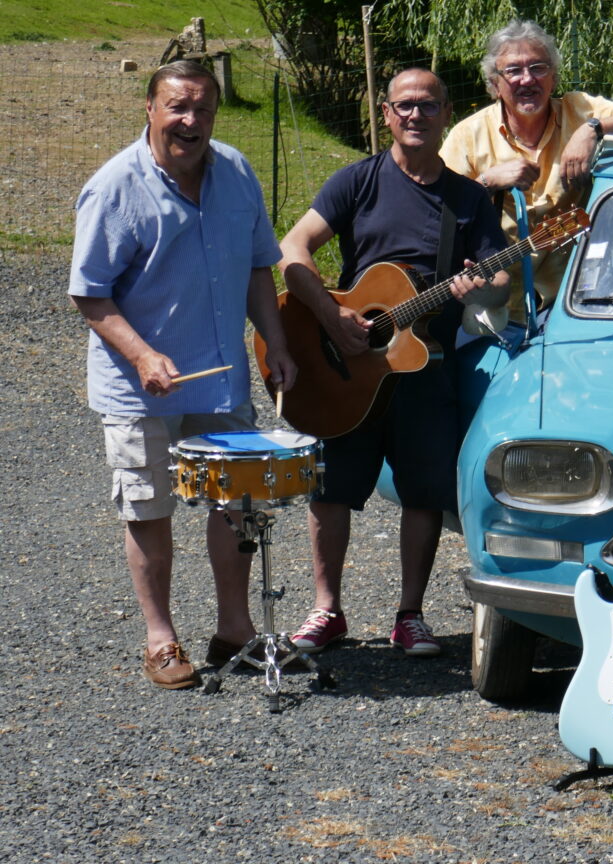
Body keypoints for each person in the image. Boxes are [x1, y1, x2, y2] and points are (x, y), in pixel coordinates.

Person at [69, 60, 298, 689]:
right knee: (149, 507)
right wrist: (143, 355)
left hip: (220, 380)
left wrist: (275, 343)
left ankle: (234, 627)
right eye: (177, 106)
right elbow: (89, 293)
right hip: (140, 387)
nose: (190, 120)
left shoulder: (237, 172)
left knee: (237, 501)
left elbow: (259, 267)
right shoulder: (114, 188)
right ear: (150, 108)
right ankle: (160, 639)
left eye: (202, 109)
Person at [276, 68, 511, 658]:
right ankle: (326, 610)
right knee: (331, 488)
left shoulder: (467, 198)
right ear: (385, 114)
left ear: (446, 114)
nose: (415, 115)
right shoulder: (357, 182)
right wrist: (333, 317)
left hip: (425, 364)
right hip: (348, 361)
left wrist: (479, 286)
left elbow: (501, 278)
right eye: (404, 105)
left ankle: (410, 614)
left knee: (424, 491)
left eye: (428, 105)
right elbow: (292, 247)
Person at [440, 18, 613, 311]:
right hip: (494, 304)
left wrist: (592, 129)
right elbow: (439, 216)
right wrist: (486, 182)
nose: (527, 79)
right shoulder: (468, 135)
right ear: (495, 84)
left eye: (538, 67)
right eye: (513, 71)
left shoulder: (579, 111)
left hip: (575, 300)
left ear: (553, 77)